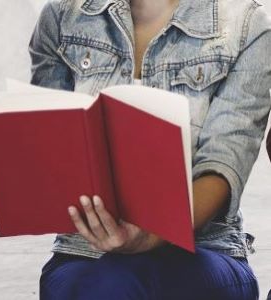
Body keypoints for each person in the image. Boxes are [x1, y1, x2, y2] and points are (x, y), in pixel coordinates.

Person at [29, 0, 271, 299]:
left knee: (114, 284)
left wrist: (150, 235)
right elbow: (52, 148)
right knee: (100, 283)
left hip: (203, 250)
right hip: (84, 253)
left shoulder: (247, 24)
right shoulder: (63, 16)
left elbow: (224, 164)